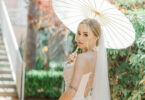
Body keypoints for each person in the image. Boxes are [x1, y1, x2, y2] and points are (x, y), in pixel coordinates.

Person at [59, 18, 110, 100]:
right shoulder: (97, 57)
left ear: (96, 37)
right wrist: (73, 63)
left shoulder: (82, 58)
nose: (80, 38)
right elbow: (85, 90)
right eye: (79, 33)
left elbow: (71, 92)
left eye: (86, 34)